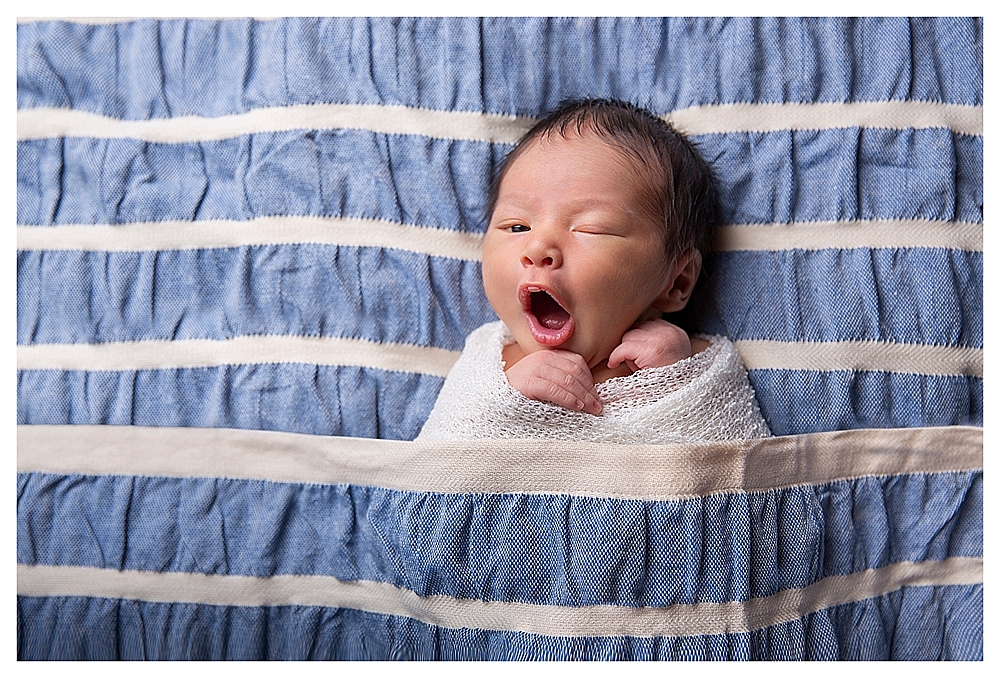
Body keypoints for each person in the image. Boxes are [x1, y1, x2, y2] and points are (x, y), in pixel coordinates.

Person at [417, 98, 770, 443]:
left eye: (590, 228)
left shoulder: (691, 363)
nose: (537, 249)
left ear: (677, 281)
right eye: (516, 227)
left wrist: (674, 379)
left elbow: (734, 478)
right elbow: (438, 467)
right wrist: (508, 401)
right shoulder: (489, 363)